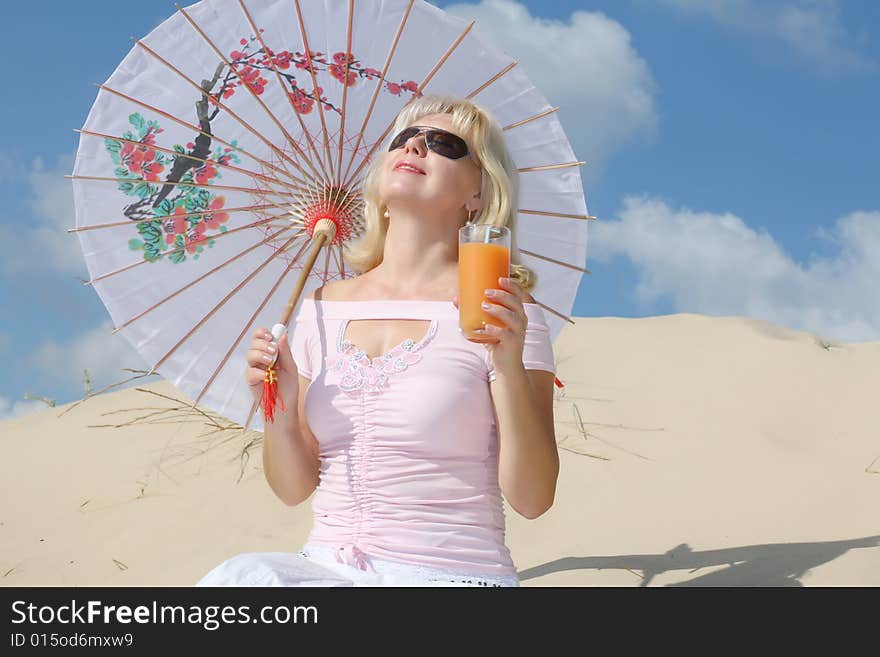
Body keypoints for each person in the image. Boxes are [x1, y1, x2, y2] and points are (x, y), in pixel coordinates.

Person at [196, 94, 559, 587]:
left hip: (450, 576)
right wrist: (278, 411)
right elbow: (292, 489)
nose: (415, 146)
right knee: (241, 580)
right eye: (403, 139)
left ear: (478, 190)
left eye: (443, 143)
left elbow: (533, 498)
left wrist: (510, 367)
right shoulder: (324, 306)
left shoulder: (501, 311)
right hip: (327, 569)